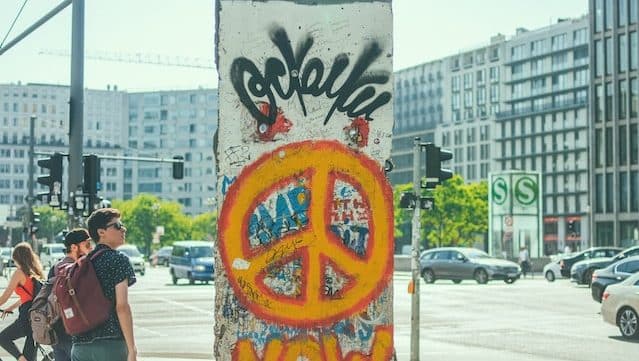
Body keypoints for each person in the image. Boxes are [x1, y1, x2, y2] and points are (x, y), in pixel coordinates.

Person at [71, 208, 137, 361]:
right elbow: (122, 307)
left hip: (80, 345)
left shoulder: (82, 263)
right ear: (101, 232)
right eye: (118, 225)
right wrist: (131, 348)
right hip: (110, 343)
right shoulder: (118, 260)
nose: (123, 229)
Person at [48, 229, 94, 361]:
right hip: (76, 334)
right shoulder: (79, 268)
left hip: (57, 332)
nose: (90, 248)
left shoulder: (55, 268)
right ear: (74, 247)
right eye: (87, 245)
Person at [0, 242, 45, 361]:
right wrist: (11, 307)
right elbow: (29, 297)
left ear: (17, 258)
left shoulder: (19, 273)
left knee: (3, 338)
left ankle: (21, 359)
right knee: (31, 357)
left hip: (26, 316)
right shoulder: (35, 272)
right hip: (37, 318)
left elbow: (4, 297)